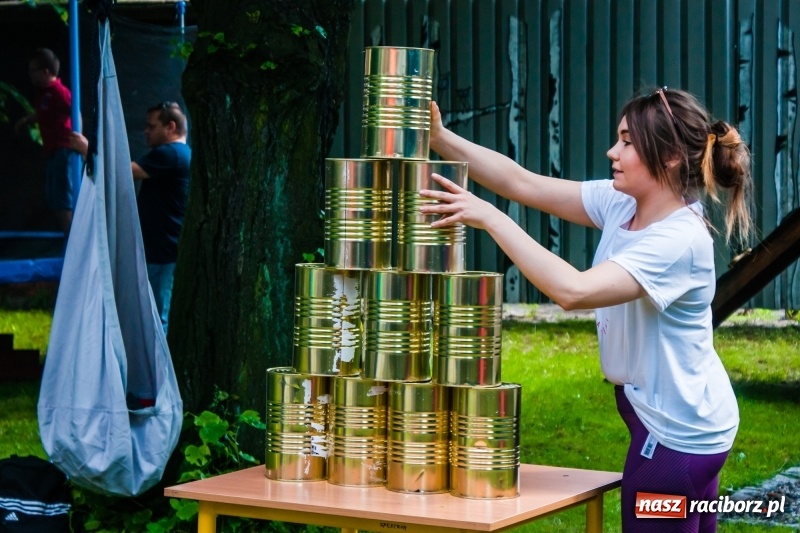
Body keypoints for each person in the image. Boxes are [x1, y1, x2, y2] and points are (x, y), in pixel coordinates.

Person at [419, 88, 752, 533]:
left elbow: (573, 291)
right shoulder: (624, 204)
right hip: (690, 424)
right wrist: (440, 138)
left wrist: (490, 218)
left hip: (675, 444)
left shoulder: (678, 241)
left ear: (671, 157)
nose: (612, 151)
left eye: (627, 142)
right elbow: (522, 183)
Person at [70, 102, 191, 336]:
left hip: (163, 254)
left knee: (158, 319)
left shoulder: (171, 154)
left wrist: (88, 150)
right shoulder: (180, 154)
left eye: (152, 126)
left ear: (171, 127)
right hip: (163, 251)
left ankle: (157, 361)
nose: (146, 131)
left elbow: (121, 173)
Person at [15, 48, 81, 239]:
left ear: (45, 72)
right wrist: (26, 120)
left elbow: (75, 111)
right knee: (56, 200)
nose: (30, 75)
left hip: (64, 151)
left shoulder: (59, 92)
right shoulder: (45, 93)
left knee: (63, 201)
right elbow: (44, 113)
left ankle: (73, 245)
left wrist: (77, 138)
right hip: (53, 152)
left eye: (33, 70)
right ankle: (70, 242)